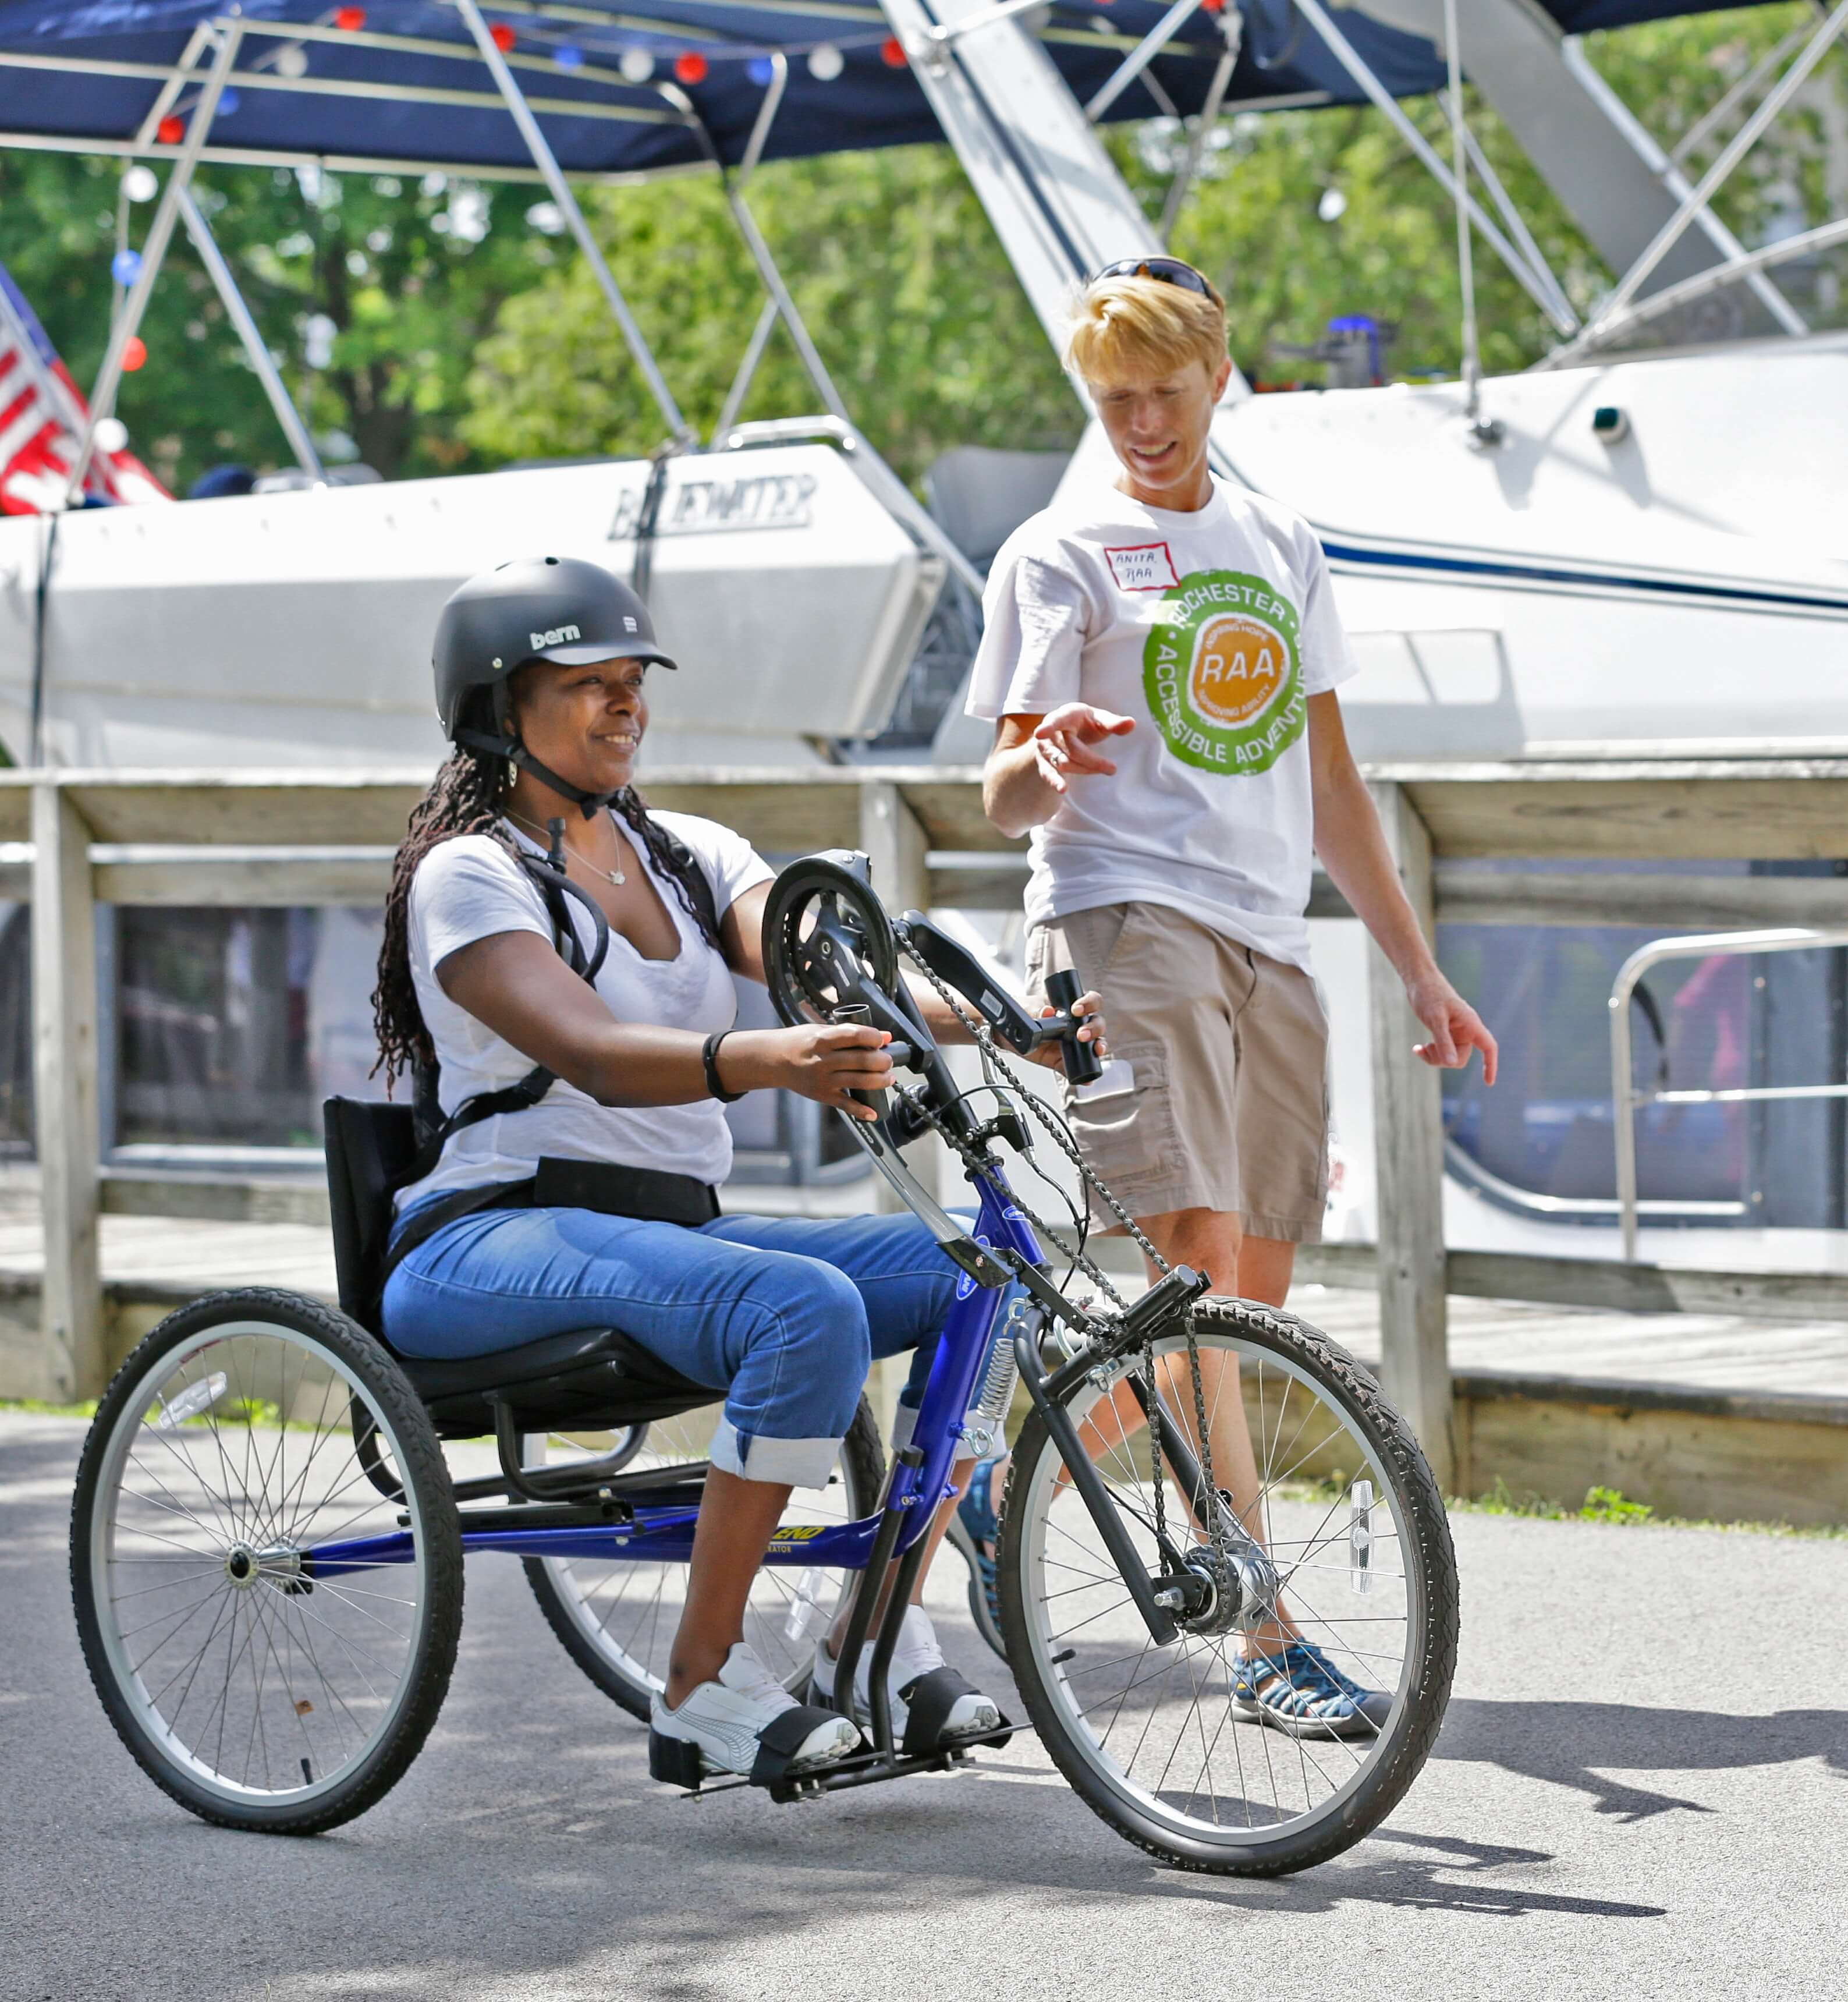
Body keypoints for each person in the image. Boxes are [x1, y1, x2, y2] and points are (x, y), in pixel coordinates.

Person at [370, 555, 1103, 1781]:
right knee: (797, 1303)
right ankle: (702, 1683)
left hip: (669, 1235)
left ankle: (871, 1638)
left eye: (633, 682)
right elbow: (594, 1054)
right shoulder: (472, 874)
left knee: (983, 1274)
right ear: (503, 710)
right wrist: (767, 1057)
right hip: (487, 1241)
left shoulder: (688, 855)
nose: (625, 706)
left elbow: (830, 974)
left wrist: (1006, 1025)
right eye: (588, 684)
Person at [952, 257, 1498, 1738]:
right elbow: (999, 793)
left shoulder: (1276, 537)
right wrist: (1041, 758)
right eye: (1111, 398)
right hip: (1122, 917)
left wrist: (1414, 964)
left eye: (1163, 393)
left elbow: (1326, 778)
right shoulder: (1057, 551)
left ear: (1217, 377)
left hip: (1270, 932)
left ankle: (1012, 1485)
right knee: (1191, 1274)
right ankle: (1257, 1626)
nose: (1138, 421)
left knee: (1247, 1299)